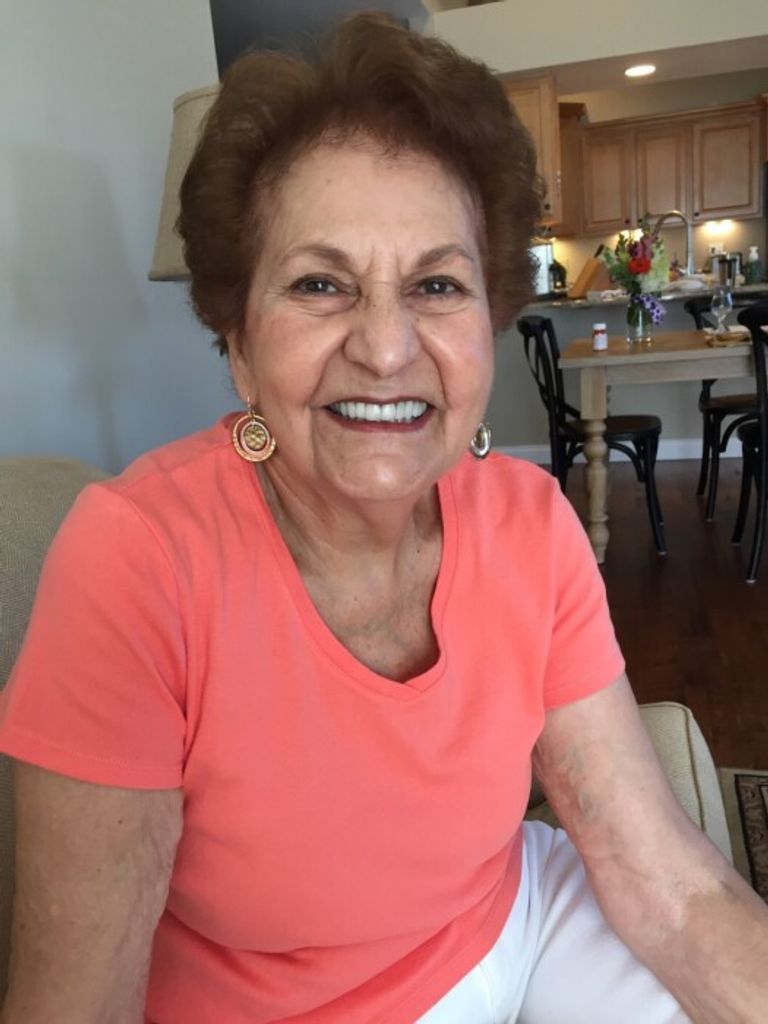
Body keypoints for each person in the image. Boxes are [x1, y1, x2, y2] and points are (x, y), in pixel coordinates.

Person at [0, 12, 766, 1024]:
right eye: (321, 284)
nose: (387, 347)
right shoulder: (137, 559)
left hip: (514, 920)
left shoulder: (531, 520)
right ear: (238, 340)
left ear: (487, 323)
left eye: (436, 284)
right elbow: (75, 1005)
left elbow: (662, 876)